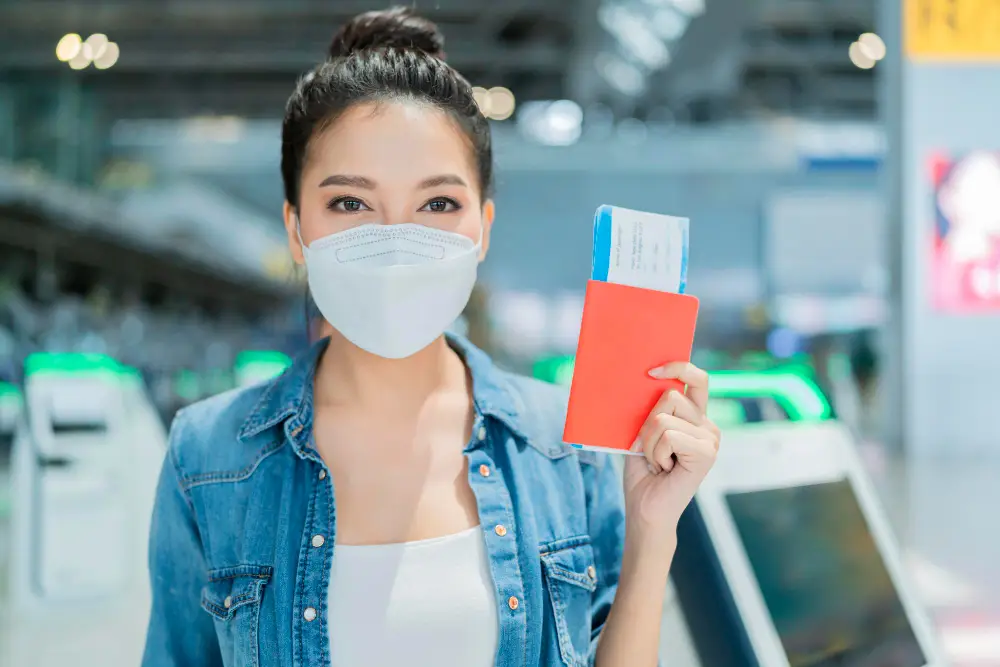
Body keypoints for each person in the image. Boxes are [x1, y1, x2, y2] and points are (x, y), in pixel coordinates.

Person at [141, 7, 720, 667]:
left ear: (483, 227)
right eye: (351, 203)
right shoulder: (209, 453)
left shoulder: (564, 445)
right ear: (297, 228)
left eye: (438, 204)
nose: (394, 241)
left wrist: (652, 529)